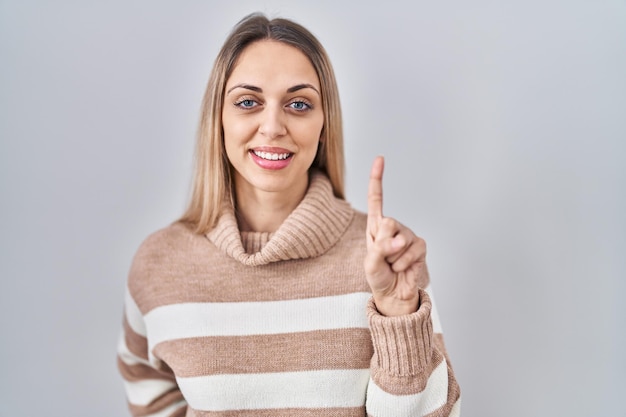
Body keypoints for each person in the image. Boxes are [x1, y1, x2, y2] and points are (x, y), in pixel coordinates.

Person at [117, 12, 461, 417]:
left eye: (299, 104)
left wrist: (398, 313)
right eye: (248, 102)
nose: (272, 126)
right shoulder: (160, 264)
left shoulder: (385, 262)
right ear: (218, 118)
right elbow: (149, 396)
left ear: (323, 124)